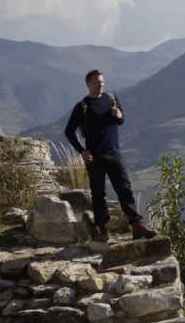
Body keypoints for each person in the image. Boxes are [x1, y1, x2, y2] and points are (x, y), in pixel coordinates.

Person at [64, 69, 156, 241]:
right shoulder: (82, 106)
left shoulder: (111, 99)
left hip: (114, 152)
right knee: (98, 193)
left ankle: (136, 225)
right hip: (94, 157)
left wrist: (119, 115)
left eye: (103, 82)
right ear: (89, 84)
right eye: (97, 82)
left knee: (125, 189)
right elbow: (69, 131)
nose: (101, 85)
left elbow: (120, 120)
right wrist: (82, 151)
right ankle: (102, 228)